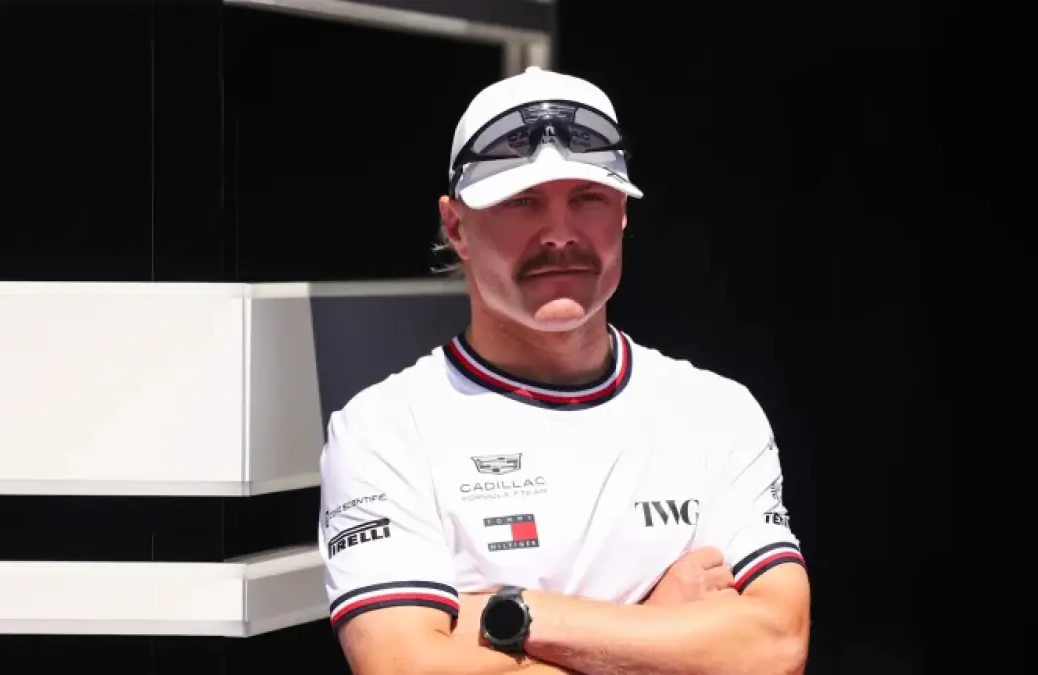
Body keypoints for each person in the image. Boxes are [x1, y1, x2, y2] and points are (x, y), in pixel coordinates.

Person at [318, 66, 810, 675]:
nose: (558, 234)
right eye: (521, 202)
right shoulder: (384, 429)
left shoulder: (717, 413)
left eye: (588, 198)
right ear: (456, 227)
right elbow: (404, 666)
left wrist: (512, 615)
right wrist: (659, 628)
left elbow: (773, 648)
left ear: (622, 213)